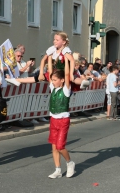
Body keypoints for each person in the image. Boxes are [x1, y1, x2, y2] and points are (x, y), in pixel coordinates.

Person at [46, 48, 75, 179]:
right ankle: (58, 169)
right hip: (53, 119)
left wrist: (67, 60)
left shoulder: (66, 90)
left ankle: (70, 163)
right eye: (52, 80)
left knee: (60, 146)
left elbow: (68, 75)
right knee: (53, 146)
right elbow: (50, 70)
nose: (52, 81)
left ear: (62, 80)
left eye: (55, 80)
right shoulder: (53, 88)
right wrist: (49, 56)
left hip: (63, 120)